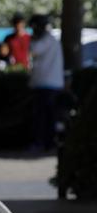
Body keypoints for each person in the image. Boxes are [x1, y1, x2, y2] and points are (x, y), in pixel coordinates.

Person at [28, 14, 65, 153]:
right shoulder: (52, 40)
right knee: (49, 116)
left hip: (46, 84)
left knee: (43, 117)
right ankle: (48, 143)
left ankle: (42, 143)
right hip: (50, 84)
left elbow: (35, 50)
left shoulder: (46, 40)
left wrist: (32, 39)